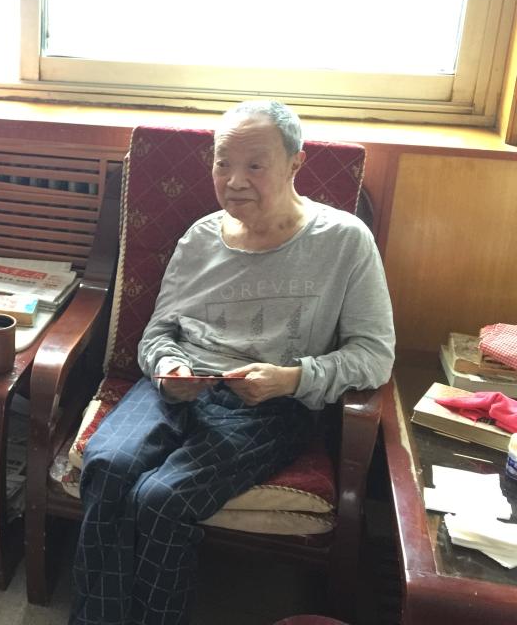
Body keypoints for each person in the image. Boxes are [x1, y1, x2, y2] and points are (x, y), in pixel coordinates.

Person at [69, 100, 395, 625]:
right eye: (223, 163)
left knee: (162, 497)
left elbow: (374, 355)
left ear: (295, 163)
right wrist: (168, 370)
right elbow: (158, 333)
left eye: (255, 165)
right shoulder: (200, 238)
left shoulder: (344, 241)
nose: (235, 180)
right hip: (180, 386)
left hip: (273, 404)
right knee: (107, 466)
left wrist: (292, 379)